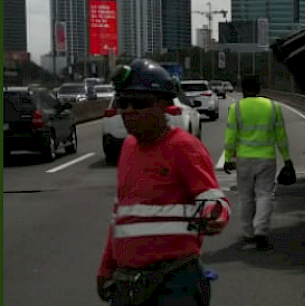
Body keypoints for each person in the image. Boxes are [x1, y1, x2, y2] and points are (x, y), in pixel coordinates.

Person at [97, 59, 230, 305]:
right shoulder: (127, 149)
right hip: (129, 285)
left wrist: (213, 215)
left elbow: (212, 198)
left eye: (139, 104)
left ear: (163, 106)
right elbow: (120, 216)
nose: (128, 111)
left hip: (174, 282)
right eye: (122, 103)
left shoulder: (184, 147)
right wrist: (106, 267)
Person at [223, 75, 292, 251]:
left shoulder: (235, 108)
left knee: (245, 196)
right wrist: (287, 158)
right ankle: (261, 230)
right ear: (259, 89)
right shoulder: (273, 107)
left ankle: (248, 234)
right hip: (266, 158)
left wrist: (228, 158)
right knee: (264, 194)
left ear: (243, 90)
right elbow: (281, 136)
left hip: (244, 159)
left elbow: (230, 137)